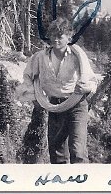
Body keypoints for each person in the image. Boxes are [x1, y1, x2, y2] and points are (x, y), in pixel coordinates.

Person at [16, 17, 98, 164]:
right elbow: (28, 77)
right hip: (55, 107)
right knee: (57, 152)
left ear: (69, 38)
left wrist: (84, 87)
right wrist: (35, 98)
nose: (55, 40)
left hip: (77, 105)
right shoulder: (40, 57)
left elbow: (91, 80)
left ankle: (83, 184)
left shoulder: (77, 55)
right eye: (53, 36)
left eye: (60, 36)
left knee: (78, 150)